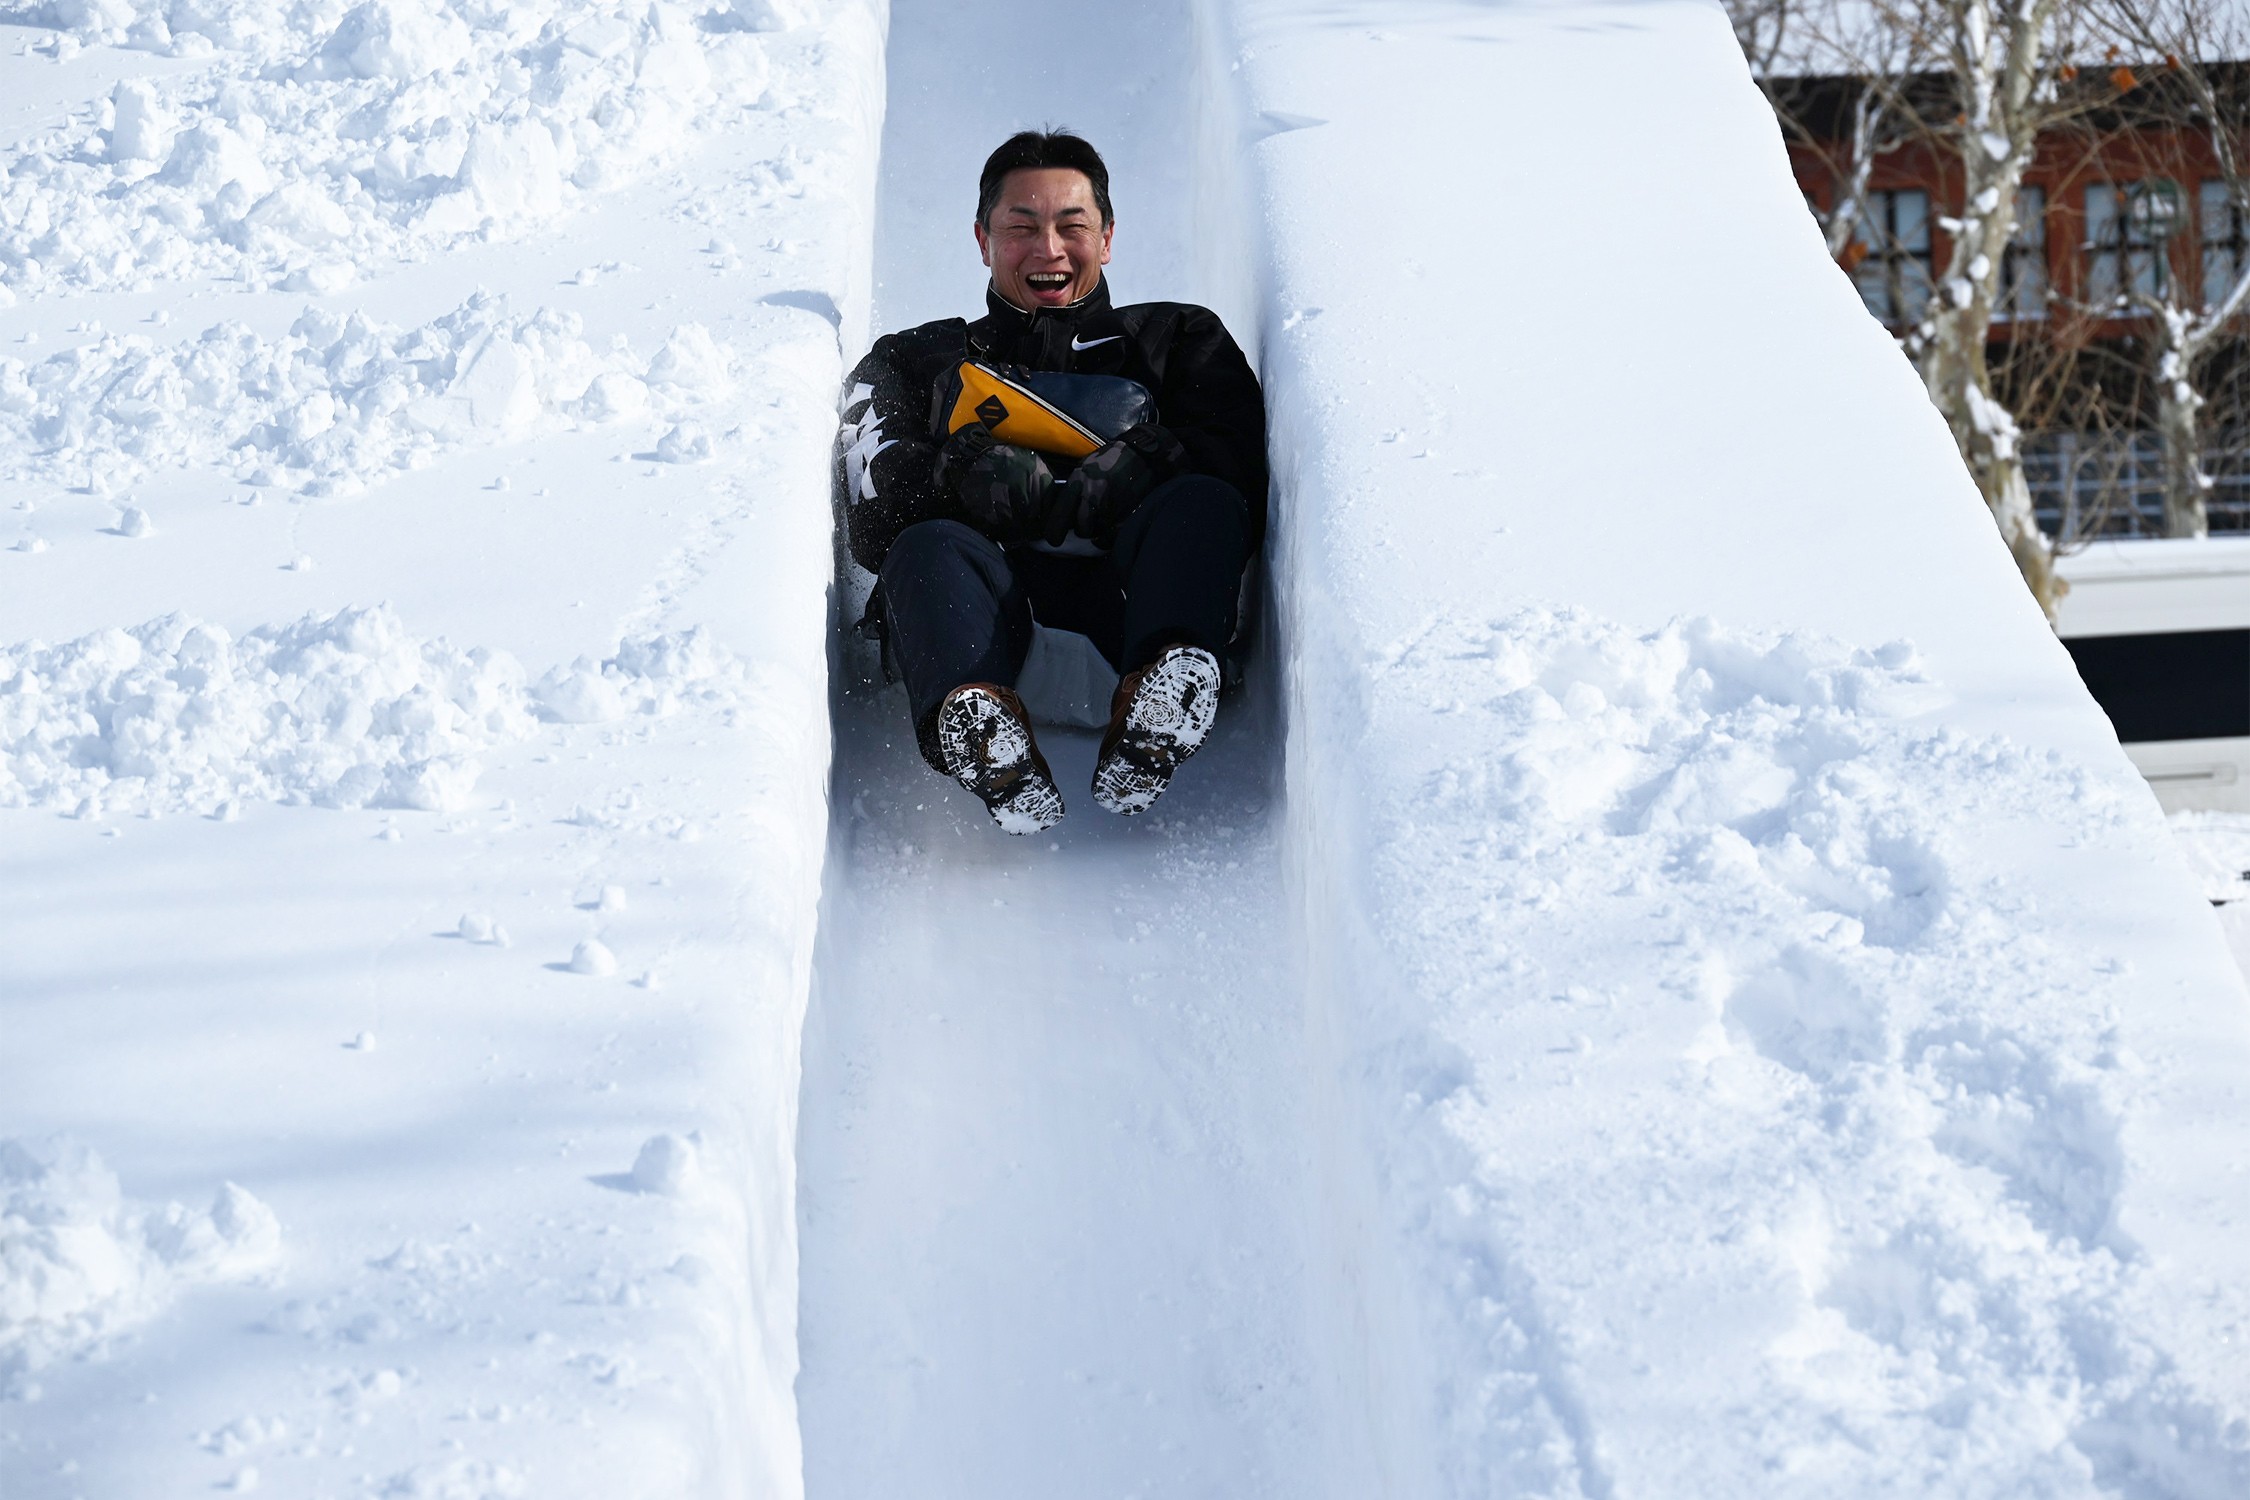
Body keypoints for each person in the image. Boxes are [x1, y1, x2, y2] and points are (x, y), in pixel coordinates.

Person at [834, 129, 1266, 834]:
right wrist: (956, 477)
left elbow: (1241, 470)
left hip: (1137, 619)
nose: (1049, 249)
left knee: (1204, 503)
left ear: (1107, 237)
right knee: (925, 545)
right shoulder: (913, 360)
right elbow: (870, 507)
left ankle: (1161, 702)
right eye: (1021, 228)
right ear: (983, 239)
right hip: (984, 632)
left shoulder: (1181, 341)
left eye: (1073, 226)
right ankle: (984, 734)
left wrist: (1151, 463)